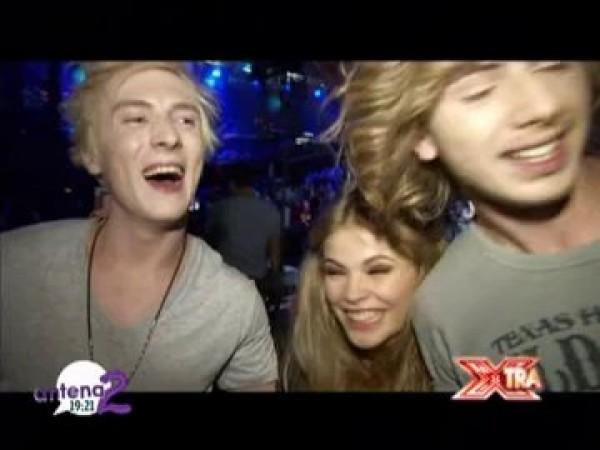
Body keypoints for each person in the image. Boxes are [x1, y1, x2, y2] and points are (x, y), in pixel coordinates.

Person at [0, 61, 278, 392]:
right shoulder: (12, 269)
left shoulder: (234, 306)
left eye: (186, 120)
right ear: (92, 154)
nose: (169, 137)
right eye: (136, 119)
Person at [332, 61, 600, 392]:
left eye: (553, 65)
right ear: (419, 134)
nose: (543, 106)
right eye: (479, 89)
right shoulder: (447, 307)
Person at [282, 189, 443, 391]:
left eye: (377, 270)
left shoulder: (462, 366)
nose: (352, 294)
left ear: (425, 272)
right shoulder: (307, 364)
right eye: (335, 272)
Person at [205, 167, 283, 308]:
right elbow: (275, 256)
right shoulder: (270, 211)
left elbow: (208, 244)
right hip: (257, 283)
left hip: (226, 282)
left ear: (232, 184)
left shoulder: (220, 209)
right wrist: (275, 281)